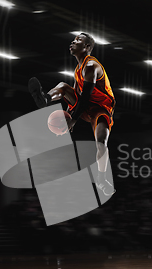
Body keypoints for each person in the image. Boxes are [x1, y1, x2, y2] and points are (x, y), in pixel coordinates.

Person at [28, 32, 115, 196]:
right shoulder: (78, 69)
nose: (73, 41)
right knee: (63, 86)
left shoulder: (91, 67)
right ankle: (45, 100)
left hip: (100, 108)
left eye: (78, 40)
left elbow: (85, 97)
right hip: (85, 105)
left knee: (101, 143)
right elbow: (75, 95)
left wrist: (73, 120)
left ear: (87, 47)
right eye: (74, 39)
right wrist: (68, 114)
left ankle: (102, 179)